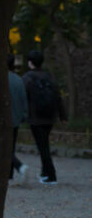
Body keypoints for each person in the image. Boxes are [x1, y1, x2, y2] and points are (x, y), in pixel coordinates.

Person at [23, 48, 67, 185]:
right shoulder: (49, 77)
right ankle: (45, 173)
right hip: (49, 116)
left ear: (30, 63)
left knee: (43, 147)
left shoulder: (27, 78)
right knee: (44, 144)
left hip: (36, 118)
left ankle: (51, 175)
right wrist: (62, 115)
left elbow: (23, 97)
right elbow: (58, 97)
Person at [7, 53, 29, 183]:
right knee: (11, 147)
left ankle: (19, 166)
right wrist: (23, 115)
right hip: (15, 119)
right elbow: (23, 100)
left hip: (2, 121)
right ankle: (8, 175)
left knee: (3, 148)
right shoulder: (18, 80)